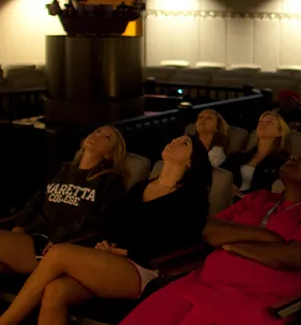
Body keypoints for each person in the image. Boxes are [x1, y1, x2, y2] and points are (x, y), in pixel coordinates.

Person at [0, 135, 212, 325]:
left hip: (145, 268)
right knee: (56, 291)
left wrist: (126, 252)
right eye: (175, 139)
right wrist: (105, 245)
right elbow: (113, 224)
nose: (174, 141)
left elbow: (181, 239)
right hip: (109, 259)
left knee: (59, 253)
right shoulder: (139, 188)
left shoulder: (190, 199)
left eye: (184, 143)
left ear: (191, 161)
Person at [119, 149, 301, 325]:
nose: (294, 158)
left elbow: (299, 256)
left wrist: (237, 247)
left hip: (256, 299)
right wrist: (268, 237)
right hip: (202, 282)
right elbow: (210, 231)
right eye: (295, 155)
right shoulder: (259, 198)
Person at [0, 126, 127, 275]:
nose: (97, 135)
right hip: (31, 234)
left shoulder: (110, 182)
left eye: (107, 136)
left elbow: (96, 221)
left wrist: (58, 238)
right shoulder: (61, 170)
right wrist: (20, 225)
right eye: (97, 131)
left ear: (110, 153)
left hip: (55, 245)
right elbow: (35, 202)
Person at [224, 111, 290, 197]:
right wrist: (228, 185)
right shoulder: (238, 156)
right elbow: (218, 175)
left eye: (269, 122)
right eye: (260, 122)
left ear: (279, 132)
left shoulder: (281, 163)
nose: (262, 124)